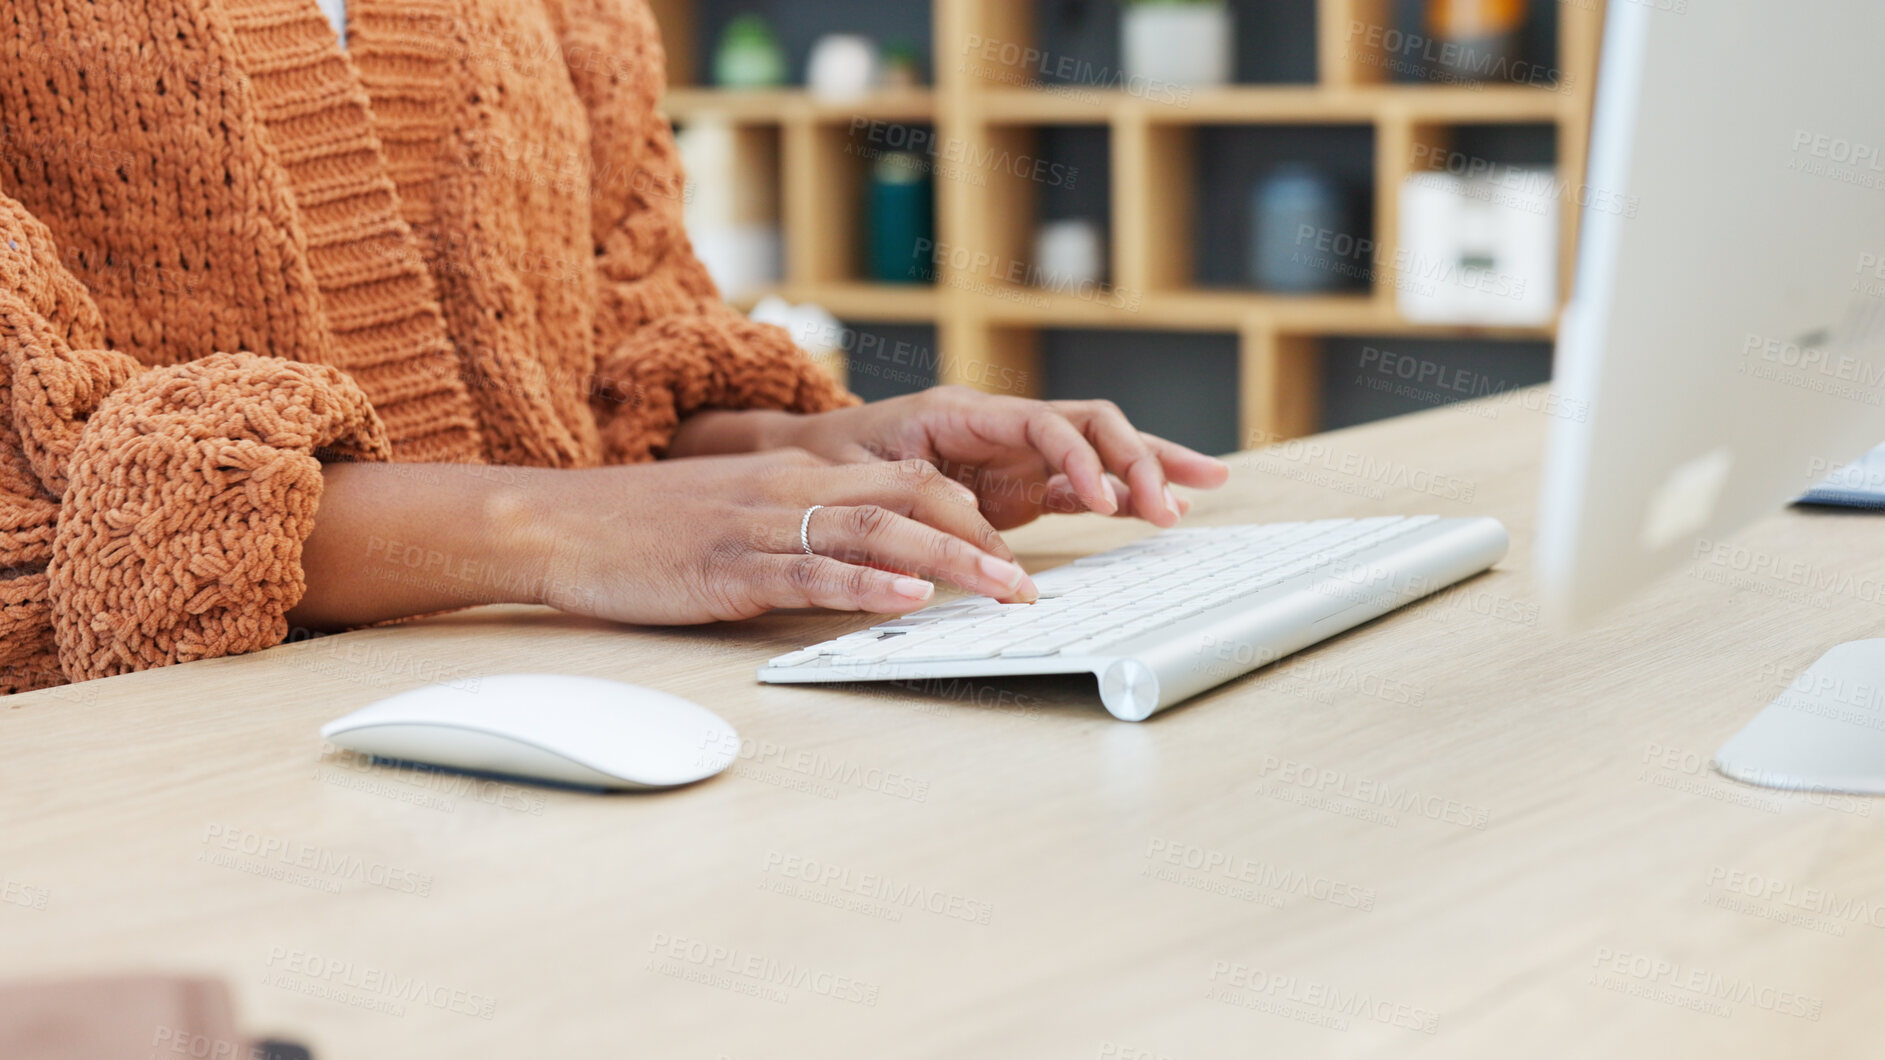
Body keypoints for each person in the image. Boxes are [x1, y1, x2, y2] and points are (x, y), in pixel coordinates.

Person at [0, 0, 1227, 695]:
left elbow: (609, 357)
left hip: (581, 711)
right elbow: (30, 503)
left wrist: (806, 454)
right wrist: (550, 531)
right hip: (164, 788)